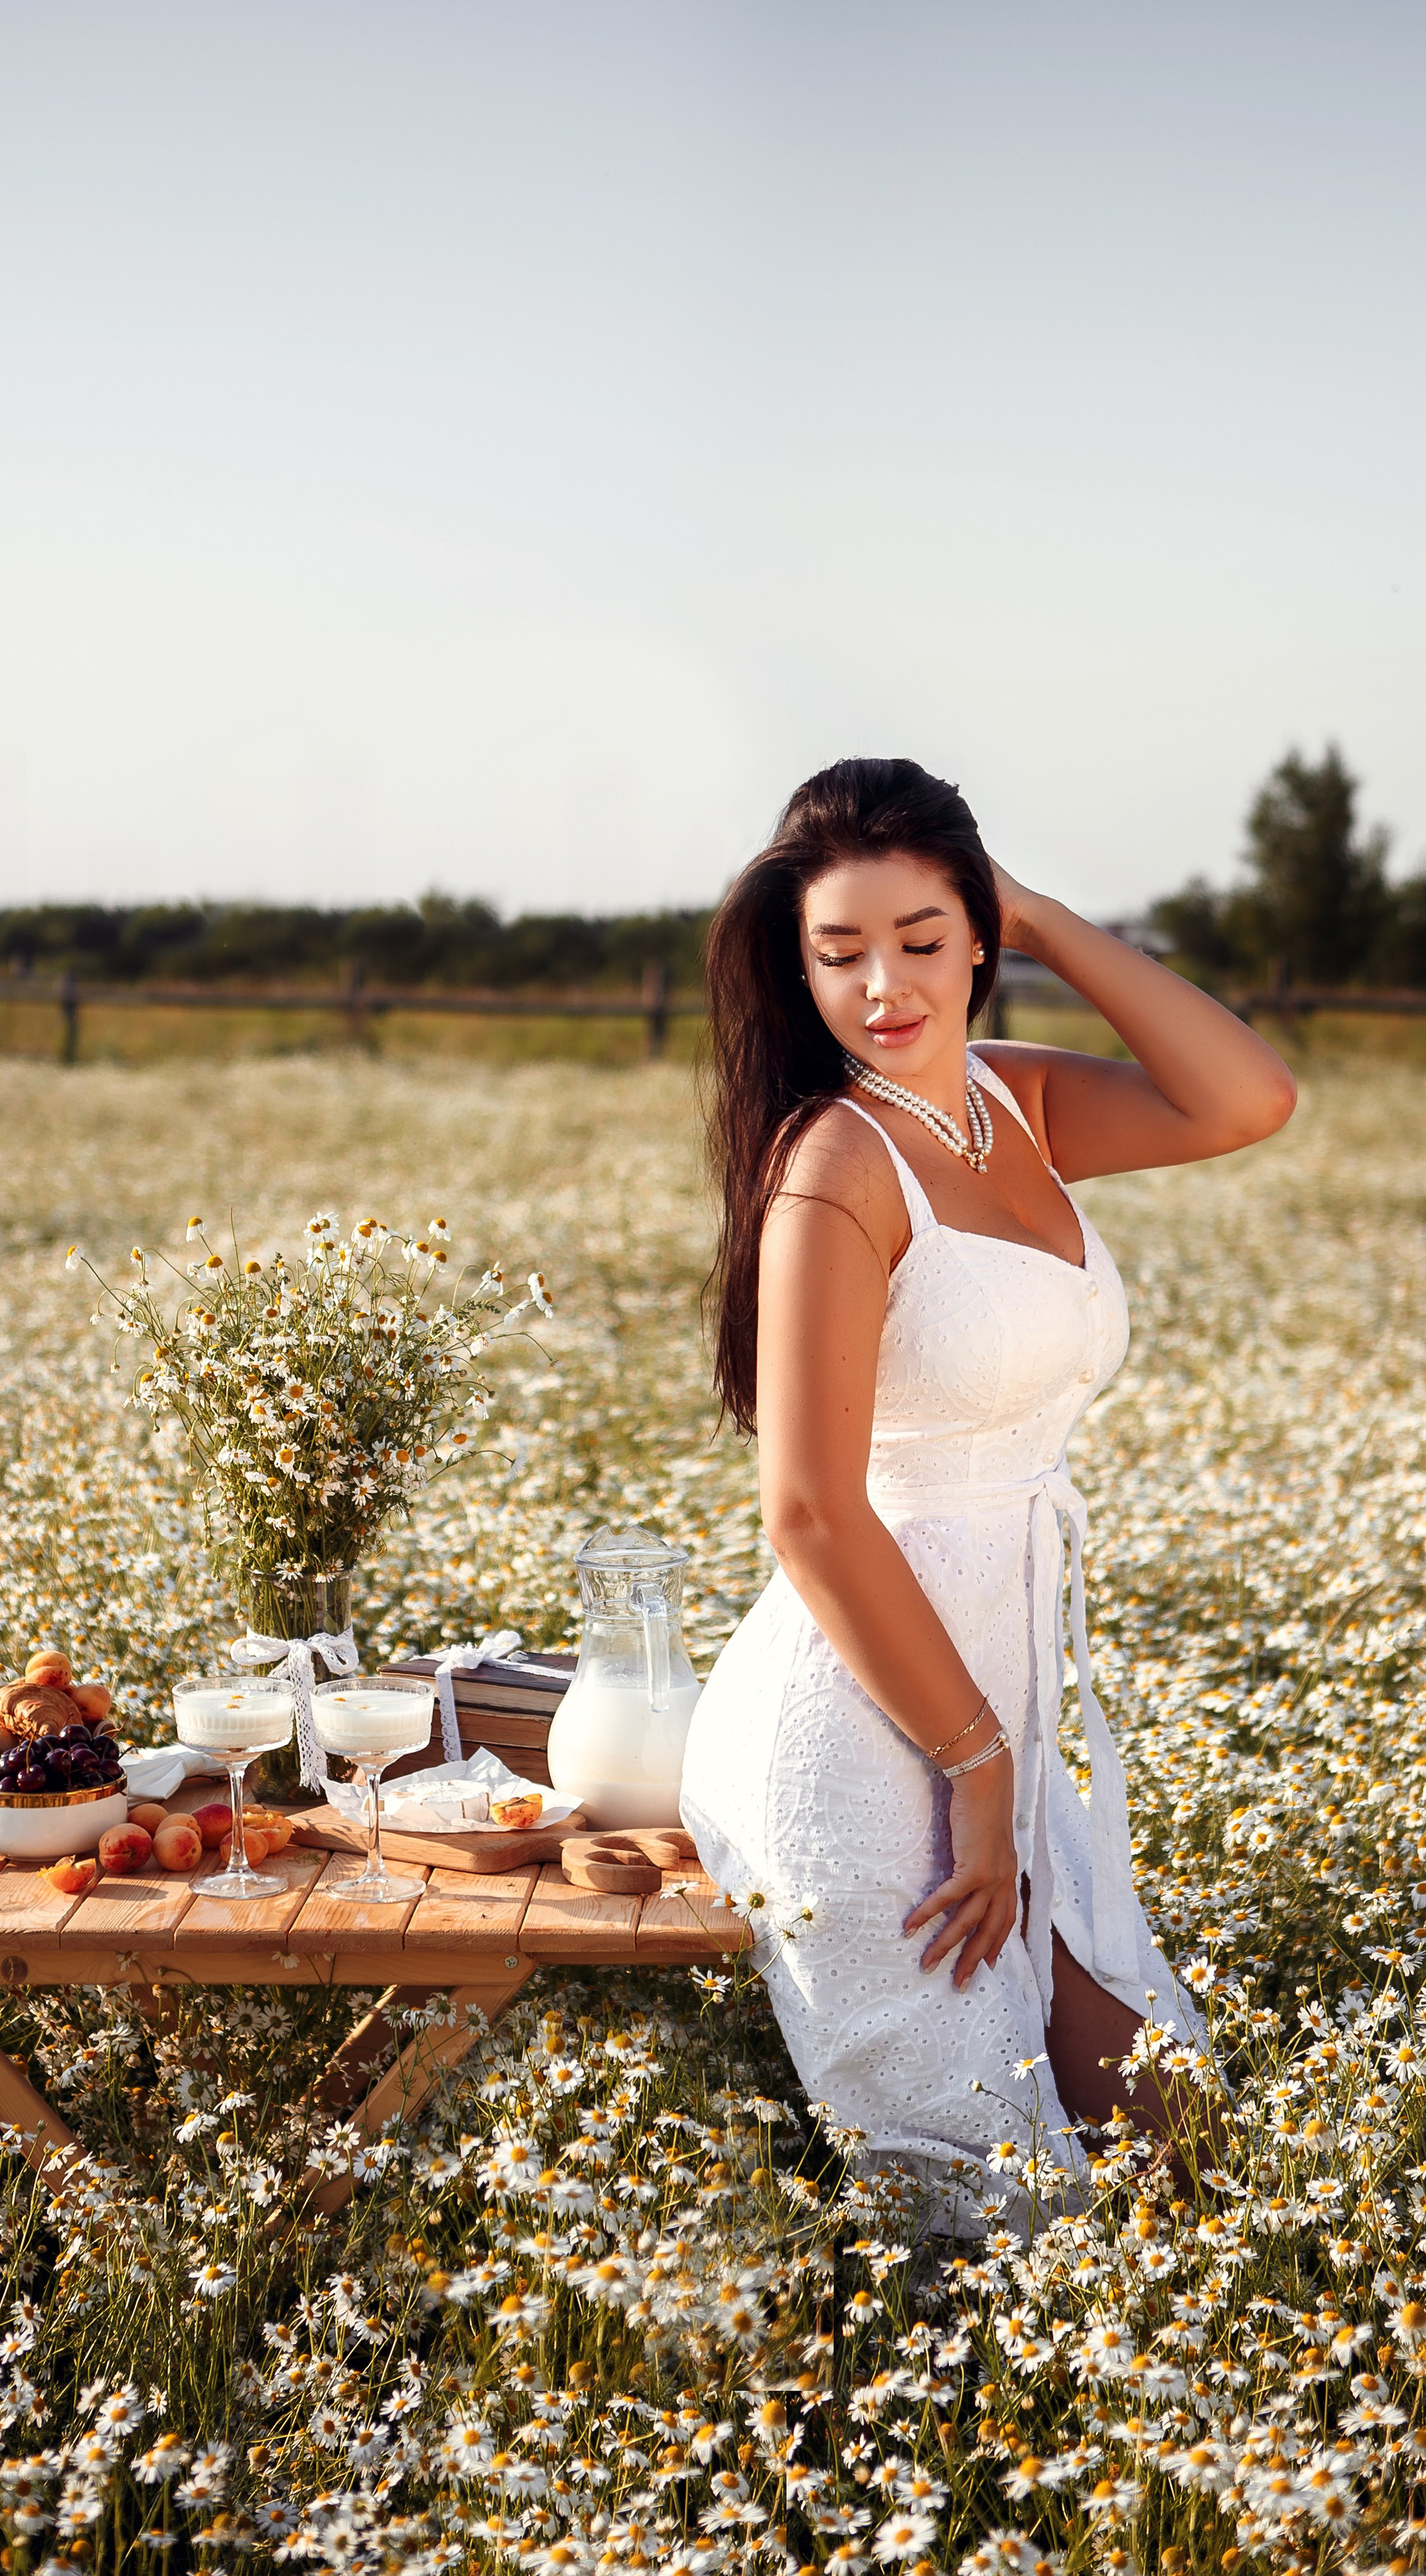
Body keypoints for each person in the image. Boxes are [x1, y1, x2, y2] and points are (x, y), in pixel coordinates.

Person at [679, 757, 1295, 2224]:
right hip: (865, 1719)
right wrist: (974, 1762)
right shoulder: (836, 1163)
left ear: (975, 937)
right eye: (838, 953)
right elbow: (808, 1511)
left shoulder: (1009, 1100)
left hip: (1000, 1702)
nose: (881, 986)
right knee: (993, 2204)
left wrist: (1048, 918)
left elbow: (1248, 1096)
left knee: (1191, 2157)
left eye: (920, 939)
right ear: (798, 967)